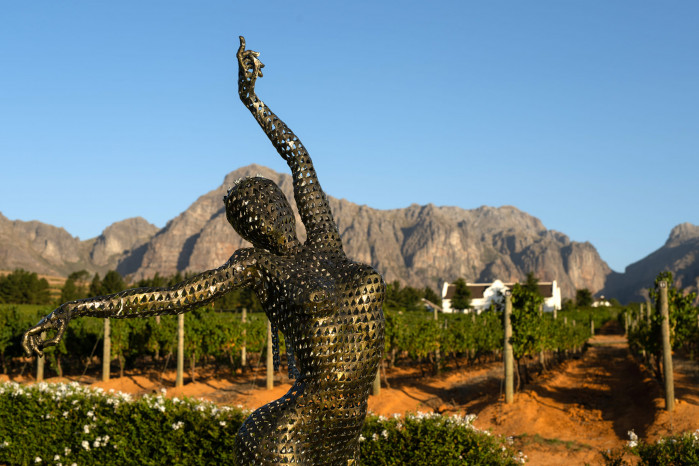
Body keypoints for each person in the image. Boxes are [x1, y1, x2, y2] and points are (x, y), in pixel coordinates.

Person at [23, 36, 385, 465]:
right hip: (288, 433)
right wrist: (75, 307)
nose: (265, 216)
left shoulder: (325, 239)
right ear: (247, 232)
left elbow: (300, 160)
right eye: (251, 215)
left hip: (346, 429)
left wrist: (252, 101)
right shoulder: (258, 266)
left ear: (286, 205)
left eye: (269, 203)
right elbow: (172, 297)